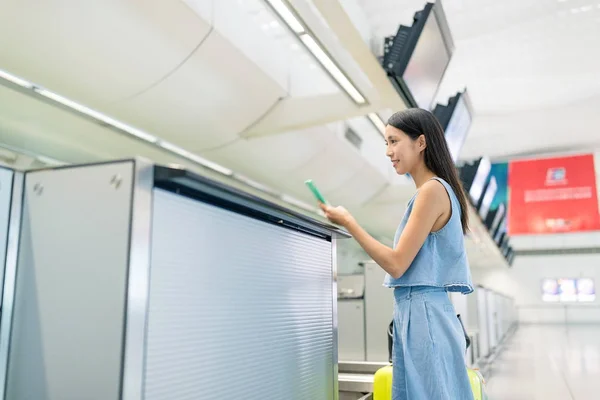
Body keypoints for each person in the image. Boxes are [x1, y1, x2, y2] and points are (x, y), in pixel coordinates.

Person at [320, 108, 474, 400]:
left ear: (421, 143)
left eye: (394, 141)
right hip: (418, 312)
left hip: (424, 314)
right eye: (386, 144)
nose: (389, 152)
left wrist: (348, 222)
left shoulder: (431, 191)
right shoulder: (434, 191)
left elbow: (397, 263)